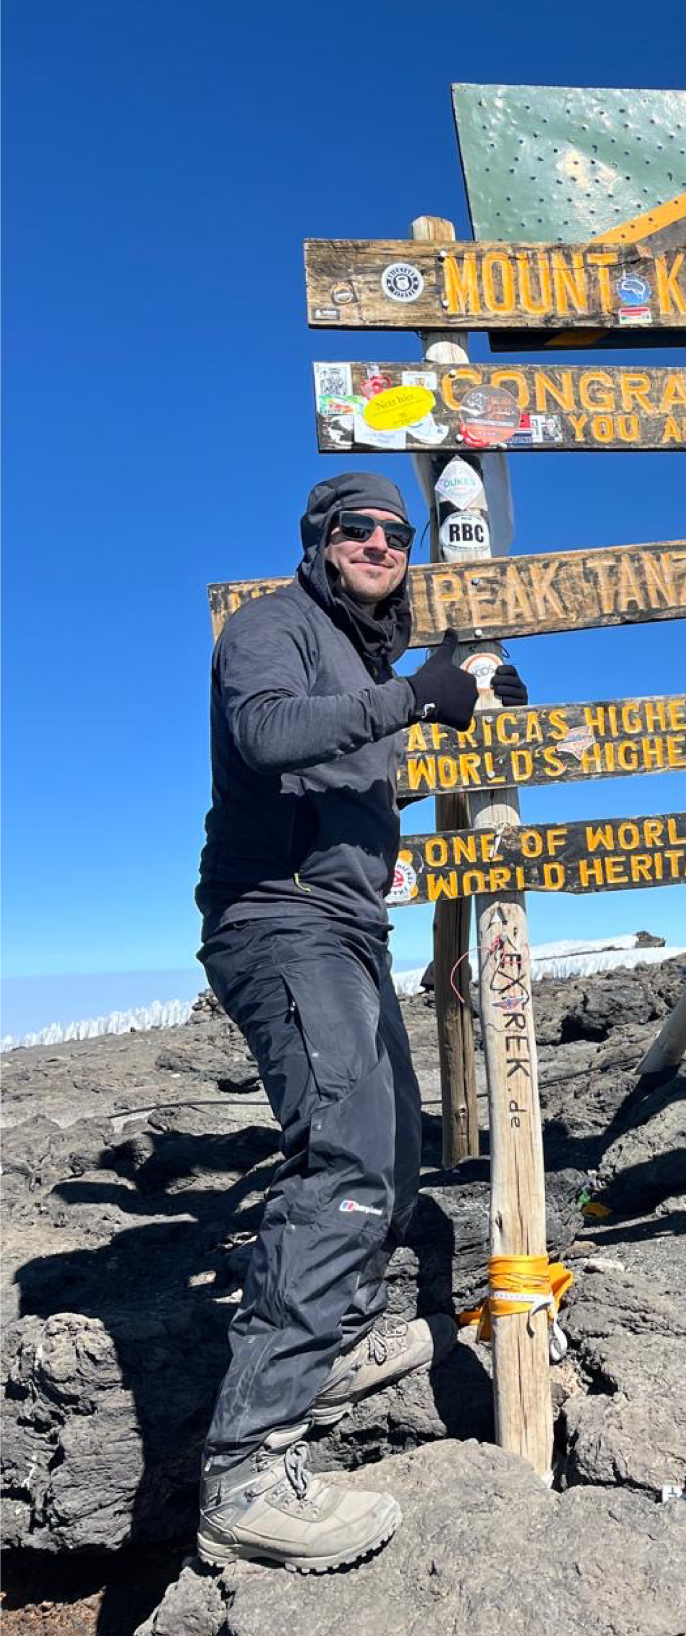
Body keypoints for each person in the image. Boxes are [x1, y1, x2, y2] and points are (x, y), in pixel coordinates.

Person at [194, 471, 524, 1569]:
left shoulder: (365, 660)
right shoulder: (272, 627)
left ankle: (322, 1347)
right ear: (320, 539)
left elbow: (348, 770)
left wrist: (443, 708)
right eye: (358, 527)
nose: (381, 541)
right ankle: (248, 1470)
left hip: (346, 930)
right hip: (277, 918)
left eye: (397, 530)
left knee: (390, 1152)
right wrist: (413, 698)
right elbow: (265, 734)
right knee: (340, 1155)